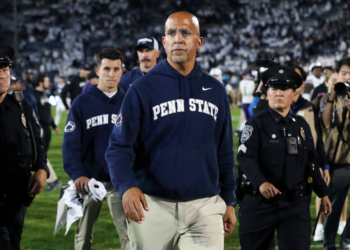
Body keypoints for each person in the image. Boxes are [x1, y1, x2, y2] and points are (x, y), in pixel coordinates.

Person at [106, 11, 236, 250]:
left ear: (199, 41)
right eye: (171, 33)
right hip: (152, 204)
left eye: (185, 32)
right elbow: (118, 147)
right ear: (164, 42)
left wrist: (229, 200)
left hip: (204, 206)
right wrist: (126, 187)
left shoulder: (216, 89)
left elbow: (224, 151)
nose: (178, 38)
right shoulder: (142, 89)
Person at [237, 66, 331, 250]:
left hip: (295, 205)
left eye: (285, 89)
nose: (278, 93)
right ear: (268, 93)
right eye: (274, 89)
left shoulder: (301, 125)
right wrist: (261, 183)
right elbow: (245, 157)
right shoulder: (255, 124)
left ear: (293, 95)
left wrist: (323, 192)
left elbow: (311, 161)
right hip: (259, 204)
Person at [63, 48, 129, 250]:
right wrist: (78, 175)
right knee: (83, 238)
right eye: (106, 69)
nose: (111, 74)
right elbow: (70, 144)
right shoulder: (82, 102)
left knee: (131, 237)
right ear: (97, 70)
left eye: (116, 69)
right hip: (89, 181)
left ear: (122, 71)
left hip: (121, 181)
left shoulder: (129, 102)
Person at [0, 44, 50, 250]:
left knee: (13, 241)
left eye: (4, 70)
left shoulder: (22, 106)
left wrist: (41, 169)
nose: (2, 75)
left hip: (17, 197)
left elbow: (36, 142)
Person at [322, 57, 350, 250]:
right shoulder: (328, 97)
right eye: (343, 73)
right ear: (337, 74)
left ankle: (347, 237)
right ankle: (329, 242)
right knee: (335, 204)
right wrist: (333, 96)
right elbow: (325, 123)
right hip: (339, 160)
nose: (347, 77)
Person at [32, 75, 62, 192]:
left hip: (47, 129)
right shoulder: (33, 96)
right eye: (46, 81)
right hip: (40, 129)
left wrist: (54, 126)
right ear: (40, 83)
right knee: (40, 156)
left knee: (42, 156)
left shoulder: (44, 94)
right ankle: (52, 180)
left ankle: (53, 180)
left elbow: (47, 113)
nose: (48, 83)